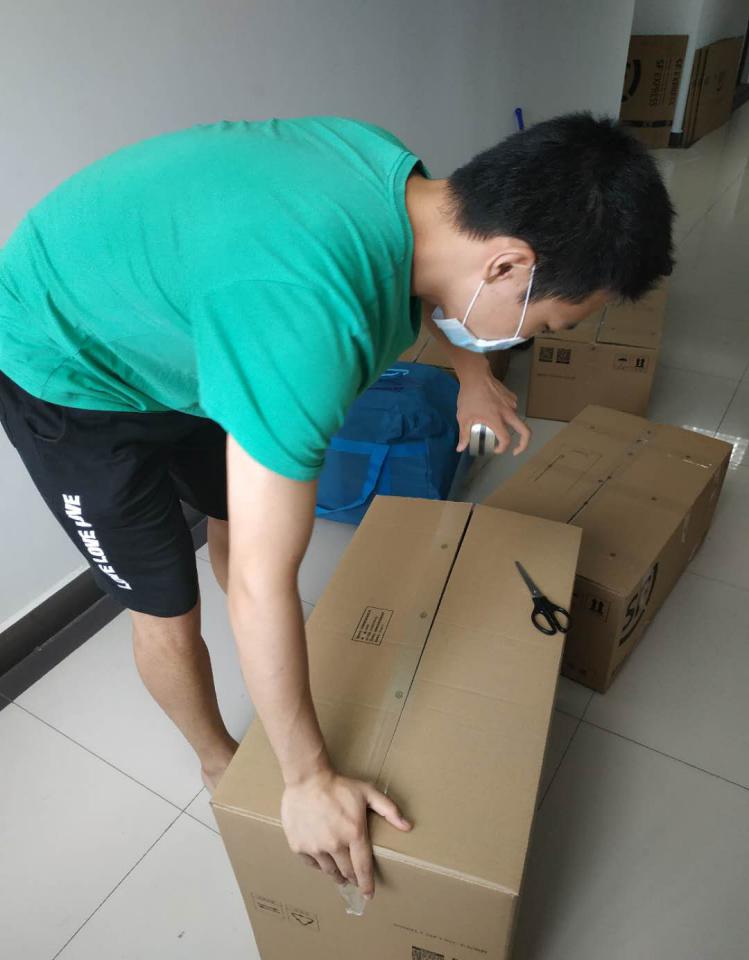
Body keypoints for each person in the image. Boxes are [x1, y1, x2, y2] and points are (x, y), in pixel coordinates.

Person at [0, 112, 674, 901]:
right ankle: (218, 761)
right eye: (545, 325)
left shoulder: (404, 185)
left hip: (187, 328)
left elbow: (437, 283)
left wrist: (469, 373)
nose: (526, 342)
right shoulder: (303, 329)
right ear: (507, 263)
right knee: (168, 608)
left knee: (238, 524)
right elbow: (264, 579)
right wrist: (306, 778)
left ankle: (266, 665)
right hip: (64, 363)